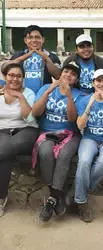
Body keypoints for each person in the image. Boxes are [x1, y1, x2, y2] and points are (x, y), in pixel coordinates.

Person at [32, 61, 82, 222]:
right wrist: (47, 92)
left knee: (65, 154)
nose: (68, 75)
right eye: (66, 71)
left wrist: (68, 96)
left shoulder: (78, 95)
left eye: (73, 74)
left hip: (70, 133)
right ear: (60, 73)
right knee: (45, 152)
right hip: (47, 132)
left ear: (76, 80)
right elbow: (36, 112)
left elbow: (72, 118)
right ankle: (57, 195)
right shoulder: (46, 88)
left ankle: (51, 199)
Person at [74, 69, 103, 222]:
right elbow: (80, 125)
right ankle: (82, 202)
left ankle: (79, 192)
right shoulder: (83, 99)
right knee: (84, 162)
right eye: (98, 81)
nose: (101, 84)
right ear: (93, 83)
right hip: (90, 138)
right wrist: (89, 105)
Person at [0, 63, 39, 217]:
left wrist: (20, 97)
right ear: (5, 77)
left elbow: (29, 117)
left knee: (7, 148)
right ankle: (2, 197)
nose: (14, 79)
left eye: (18, 76)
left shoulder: (28, 93)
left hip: (26, 130)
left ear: (23, 78)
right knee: (6, 154)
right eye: (11, 75)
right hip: (2, 131)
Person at [1, 25, 61, 94]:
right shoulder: (18, 55)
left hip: (44, 97)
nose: (34, 40)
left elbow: (58, 76)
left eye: (37, 37)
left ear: (43, 39)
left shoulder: (51, 56)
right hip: (22, 97)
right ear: (25, 40)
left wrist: (47, 60)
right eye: (30, 37)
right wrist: (21, 58)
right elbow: (4, 69)